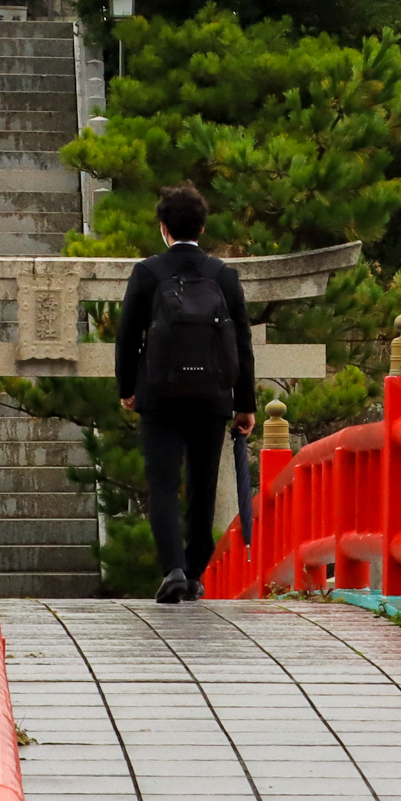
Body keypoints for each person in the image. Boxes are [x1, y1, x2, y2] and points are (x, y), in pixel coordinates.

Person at [116, 184, 255, 603]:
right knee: (203, 484)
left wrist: (127, 388)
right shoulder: (222, 275)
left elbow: (127, 336)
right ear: (203, 226)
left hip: (159, 393)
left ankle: (173, 568)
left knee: (161, 483)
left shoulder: (148, 273)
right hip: (212, 395)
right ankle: (195, 574)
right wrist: (244, 403)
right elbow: (241, 342)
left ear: (163, 228)